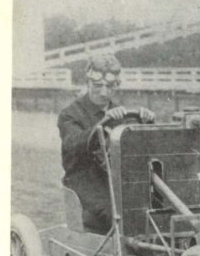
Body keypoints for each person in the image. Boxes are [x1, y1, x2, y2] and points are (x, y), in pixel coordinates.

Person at [57, 54, 154, 232]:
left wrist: (146, 123)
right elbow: (73, 143)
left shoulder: (121, 113)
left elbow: (137, 150)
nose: (103, 92)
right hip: (84, 181)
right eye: (97, 85)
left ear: (116, 85)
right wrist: (101, 124)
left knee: (153, 205)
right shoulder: (69, 114)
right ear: (87, 83)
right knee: (118, 212)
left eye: (109, 86)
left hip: (115, 179)